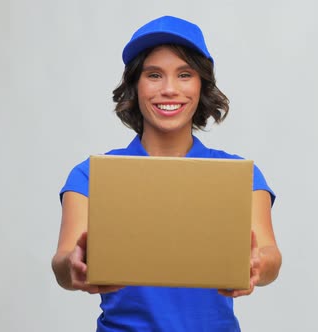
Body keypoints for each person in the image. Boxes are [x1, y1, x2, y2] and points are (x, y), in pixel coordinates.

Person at [51, 15, 282, 331]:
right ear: (135, 85)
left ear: (201, 85)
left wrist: (258, 265)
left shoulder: (238, 175)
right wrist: (73, 265)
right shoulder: (91, 175)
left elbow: (270, 254)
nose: (170, 89)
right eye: (154, 75)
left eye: (184, 74)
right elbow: (63, 260)